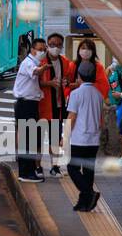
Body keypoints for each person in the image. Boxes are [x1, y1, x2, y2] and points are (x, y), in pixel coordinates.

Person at [65, 54, 105, 212]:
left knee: (72, 168)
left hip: (79, 139)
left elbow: (72, 117)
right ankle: (85, 203)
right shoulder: (98, 95)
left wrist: (65, 135)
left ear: (79, 76)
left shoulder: (76, 94)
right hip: (93, 140)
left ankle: (89, 193)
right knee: (88, 170)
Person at [36, 33, 75, 177]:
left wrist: (66, 83)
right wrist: (49, 83)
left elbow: (69, 80)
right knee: (38, 139)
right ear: (47, 44)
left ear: (62, 46)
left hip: (57, 106)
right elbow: (33, 82)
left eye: (58, 45)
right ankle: (38, 167)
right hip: (41, 106)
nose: (55, 47)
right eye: (52, 44)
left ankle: (55, 167)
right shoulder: (40, 61)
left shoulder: (65, 62)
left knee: (55, 138)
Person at [13, 38, 47, 182]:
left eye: (44, 49)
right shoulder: (28, 63)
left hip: (29, 105)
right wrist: (44, 68)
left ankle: (28, 171)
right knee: (28, 139)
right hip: (25, 105)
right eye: (40, 49)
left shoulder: (33, 62)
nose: (42, 52)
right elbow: (36, 72)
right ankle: (26, 173)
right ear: (32, 50)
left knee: (30, 139)